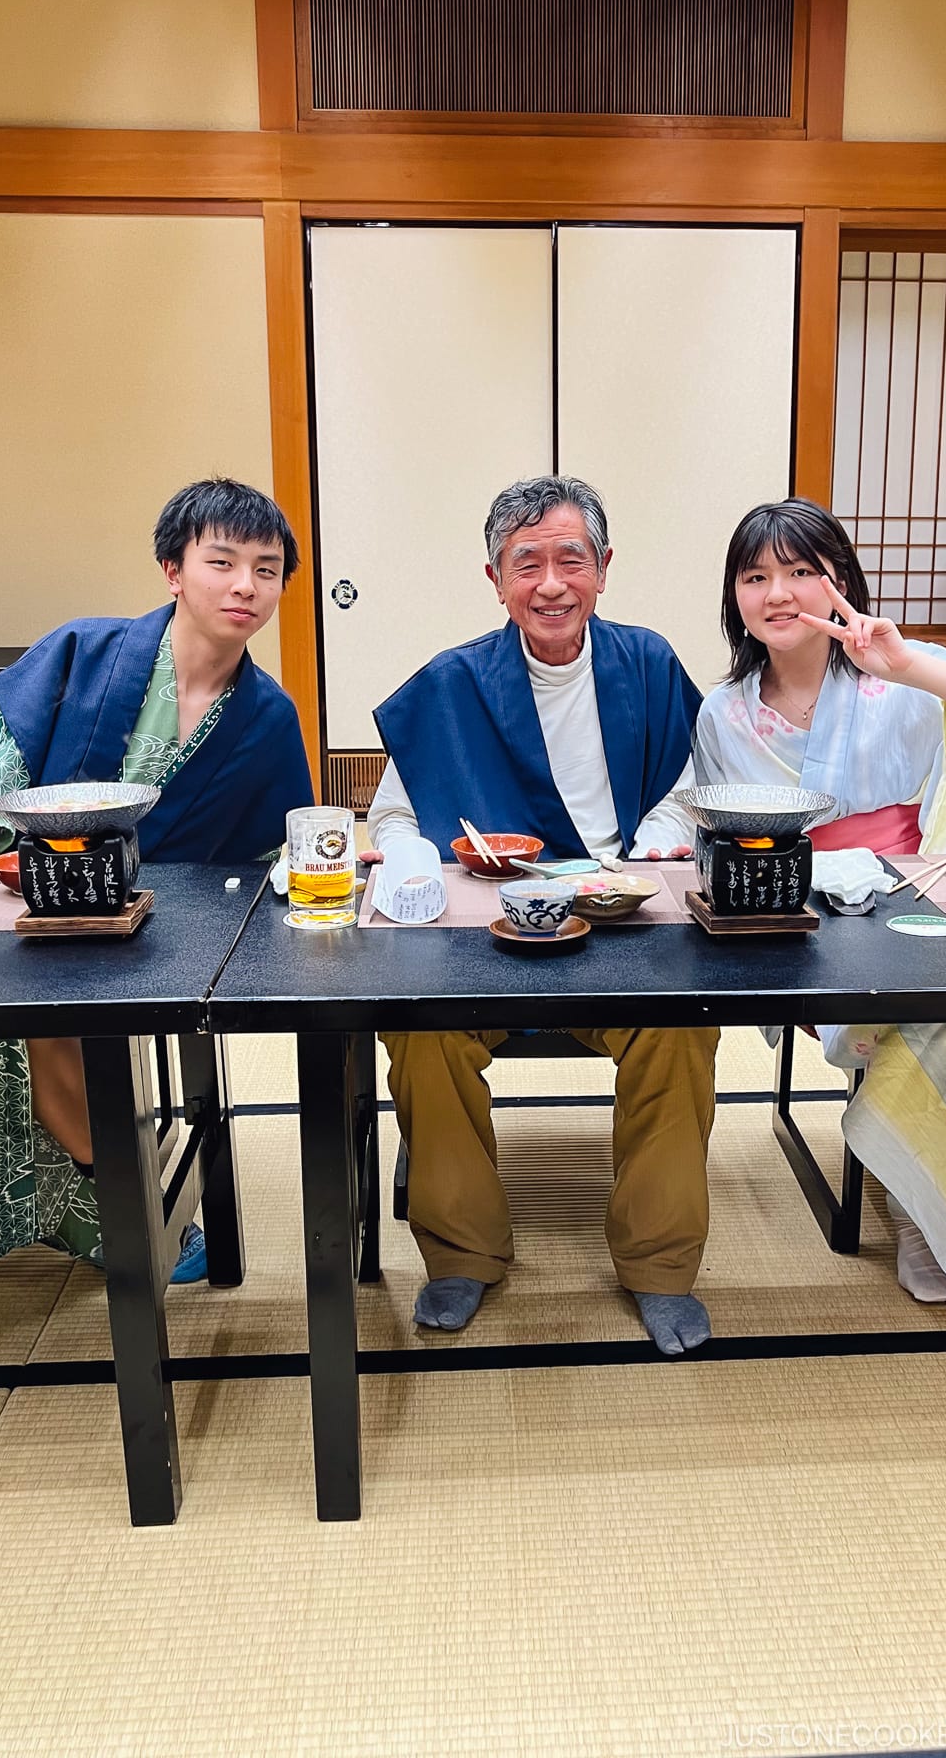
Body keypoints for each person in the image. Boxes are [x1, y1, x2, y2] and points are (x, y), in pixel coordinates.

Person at [693, 497, 946, 1378]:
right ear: (735, 598)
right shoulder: (724, 713)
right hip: (810, 929)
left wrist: (910, 662)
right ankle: (917, 1199)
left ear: (840, 581)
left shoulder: (893, 676)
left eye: (801, 571)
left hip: (925, 902)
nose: (779, 592)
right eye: (756, 576)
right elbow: (710, 831)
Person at [0, 477, 313, 1280]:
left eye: (266, 569)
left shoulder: (265, 715)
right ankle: (120, 1205)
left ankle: (112, 1203)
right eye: (222, 561)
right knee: (22, 1025)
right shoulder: (84, 653)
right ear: (173, 569)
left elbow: (272, 851)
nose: (245, 585)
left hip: (122, 920)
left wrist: (328, 862)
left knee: (85, 1017)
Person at [366, 474, 721, 1355]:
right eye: (528, 563)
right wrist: (433, 866)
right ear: (495, 578)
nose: (551, 583)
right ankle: (460, 1252)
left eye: (572, 559)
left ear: (604, 568)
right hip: (492, 925)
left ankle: (660, 1265)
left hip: (622, 916)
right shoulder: (451, 683)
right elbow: (393, 821)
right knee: (420, 1031)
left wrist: (653, 850)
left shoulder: (647, 662)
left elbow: (691, 794)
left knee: (682, 1027)